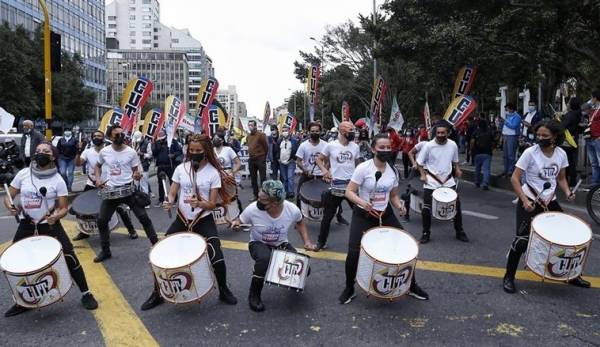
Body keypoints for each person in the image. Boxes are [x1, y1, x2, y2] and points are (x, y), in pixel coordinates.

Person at [141, 134, 238, 310]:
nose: (194, 153)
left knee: (216, 253)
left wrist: (200, 203)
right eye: (191, 150)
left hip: (203, 219)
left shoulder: (213, 173)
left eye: (198, 151)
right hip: (182, 218)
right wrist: (168, 201)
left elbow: (211, 204)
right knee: (159, 253)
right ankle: (157, 293)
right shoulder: (180, 169)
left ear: (206, 151)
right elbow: (172, 192)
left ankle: (223, 290)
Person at [3, 142, 98, 317]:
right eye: (38, 151)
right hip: (27, 225)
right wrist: (10, 206)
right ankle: (23, 301)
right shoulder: (23, 174)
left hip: (50, 225)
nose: (40, 153)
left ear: (52, 156)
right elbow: (10, 196)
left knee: (69, 256)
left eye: (45, 151)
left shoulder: (57, 180)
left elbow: (63, 208)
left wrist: (56, 216)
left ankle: (86, 293)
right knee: (18, 262)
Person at [338, 134, 429, 304]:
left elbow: (393, 195)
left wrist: (399, 205)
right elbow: (349, 192)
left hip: (384, 213)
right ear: (373, 149)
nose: (386, 150)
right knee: (353, 252)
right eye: (382, 147)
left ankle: (411, 285)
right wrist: (362, 202)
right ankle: (349, 288)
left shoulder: (393, 170)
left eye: (389, 147)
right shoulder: (363, 169)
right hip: (363, 214)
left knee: (406, 246)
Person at [503, 119, 590, 293]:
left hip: (550, 200)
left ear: (555, 137)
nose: (540, 137)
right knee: (522, 241)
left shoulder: (561, 154)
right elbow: (515, 178)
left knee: (567, 237)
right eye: (538, 135)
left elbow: (561, 178)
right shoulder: (530, 153)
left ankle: (571, 276)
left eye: (545, 135)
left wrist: (567, 192)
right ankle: (508, 277)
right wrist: (525, 201)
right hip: (530, 199)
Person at [230, 180, 318, 312]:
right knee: (264, 259)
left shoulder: (291, 209)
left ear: (275, 202)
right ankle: (254, 295)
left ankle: (289, 281)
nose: (259, 201)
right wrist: (235, 224)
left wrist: (307, 241)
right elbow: (239, 221)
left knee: (305, 269)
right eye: (259, 197)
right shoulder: (253, 209)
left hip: (280, 244)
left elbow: (300, 222)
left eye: (263, 200)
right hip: (258, 243)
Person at [93, 125, 159, 262]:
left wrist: (137, 174)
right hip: (111, 191)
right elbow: (97, 166)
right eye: (116, 135)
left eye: (121, 134)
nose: (120, 137)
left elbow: (136, 170)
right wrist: (98, 179)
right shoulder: (104, 151)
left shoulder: (131, 152)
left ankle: (157, 247)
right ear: (110, 137)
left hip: (129, 190)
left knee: (144, 218)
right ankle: (106, 251)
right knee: (102, 221)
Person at [72, 130, 138, 241]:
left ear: (104, 138)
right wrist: (78, 151)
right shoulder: (87, 152)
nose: (96, 138)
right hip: (91, 183)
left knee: (120, 208)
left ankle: (131, 230)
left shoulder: (109, 151)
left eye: (99, 136)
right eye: (94, 136)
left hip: (108, 185)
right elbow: (78, 164)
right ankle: (83, 232)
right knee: (81, 208)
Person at [416, 122, 469, 244]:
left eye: (442, 133)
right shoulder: (429, 146)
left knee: (456, 206)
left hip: (448, 181)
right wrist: (423, 175)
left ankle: (459, 231)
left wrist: (458, 169)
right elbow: (419, 163)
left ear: (448, 133)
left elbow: (455, 161)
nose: (440, 135)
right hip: (432, 181)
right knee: (426, 208)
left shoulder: (453, 145)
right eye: (438, 133)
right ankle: (425, 233)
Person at [316, 121, 359, 249]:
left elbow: (357, 164)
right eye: (350, 132)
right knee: (327, 216)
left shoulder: (355, 147)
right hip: (336, 186)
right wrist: (324, 170)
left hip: (351, 187)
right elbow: (319, 159)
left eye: (353, 131)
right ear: (342, 131)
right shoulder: (331, 146)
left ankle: (363, 242)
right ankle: (321, 242)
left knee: (360, 214)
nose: (352, 134)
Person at [295, 122, 327, 206]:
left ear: (320, 132)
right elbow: (298, 161)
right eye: (312, 131)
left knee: (328, 198)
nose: (314, 133)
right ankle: (299, 214)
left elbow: (328, 161)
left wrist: (326, 172)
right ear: (308, 132)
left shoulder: (326, 145)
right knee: (300, 196)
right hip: (307, 175)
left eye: (317, 131)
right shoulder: (303, 146)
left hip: (322, 177)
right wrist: (305, 170)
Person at [152, 130, 183, 207]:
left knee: (172, 182)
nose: (162, 139)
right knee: (160, 183)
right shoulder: (157, 142)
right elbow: (154, 153)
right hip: (160, 165)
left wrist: (173, 155)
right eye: (161, 138)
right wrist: (158, 145)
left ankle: (174, 200)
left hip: (170, 165)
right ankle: (161, 200)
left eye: (163, 138)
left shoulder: (172, 141)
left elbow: (179, 151)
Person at [214, 134, 243, 212]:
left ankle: (236, 215)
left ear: (222, 140)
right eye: (214, 138)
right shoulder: (211, 150)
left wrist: (232, 172)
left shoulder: (228, 149)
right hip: (216, 177)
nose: (215, 139)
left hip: (228, 176)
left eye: (217, 138)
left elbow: (238, 163)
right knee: (217, 198)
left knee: (231, 197)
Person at [560, 97, 582, 187]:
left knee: (566, 160)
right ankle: (572, 179)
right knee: (571, 160)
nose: (567, 104)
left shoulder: (570, 115)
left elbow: (563, 126)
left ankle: (566, 179)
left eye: (569, 103)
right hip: (573, 139)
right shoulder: (578, 113)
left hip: (567, 139)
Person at [246, 120, 268, 201]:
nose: (250, 126)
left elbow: (266, 147)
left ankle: (264, 195)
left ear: (255, 126)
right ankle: (255, 195)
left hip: (260, 159)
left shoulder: (261, 135)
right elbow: (249, 146)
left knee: (263, 178)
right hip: (251, 159)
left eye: (251, 125)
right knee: (253, 179)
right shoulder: (248, 136)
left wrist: (263, 157)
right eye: (249, 125)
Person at [471, 120, 495, 190]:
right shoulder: (489, 132)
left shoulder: (476, 132)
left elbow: (472, 142)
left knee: (477, 168)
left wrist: (471, 150)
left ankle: (477, 182)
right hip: (487, 153)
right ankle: (485, 184)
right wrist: (491, 149)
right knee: (486, 169)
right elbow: (493, 142)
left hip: (477, 152)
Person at [278, 125, 299, 198]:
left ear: (289, 131)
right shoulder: (280, 140)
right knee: (284, 178)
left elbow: (296, 151)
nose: (284, 132)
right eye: (283, 131)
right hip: (282, 162)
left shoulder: (294, 141)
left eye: (286, 130)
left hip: (290, 162)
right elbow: (277, 150)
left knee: (290, 178)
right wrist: (278, 158)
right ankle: (285, 193)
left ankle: (291, 193)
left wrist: (293, 158)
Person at [501, 103, 521, 177]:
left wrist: (505, 122)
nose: (506, 111)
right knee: (505, 155)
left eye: (507, 109)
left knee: (511, 154)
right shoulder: (508, 116)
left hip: (512, 136)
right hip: (505, 136)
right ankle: (505, 170)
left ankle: (510, 170)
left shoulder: (517, 117)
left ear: (511, 109)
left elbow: (513, 126)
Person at [132, 130, 153, 196]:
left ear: (142, 137)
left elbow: (150, 155)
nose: (138, 141)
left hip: (143, 165)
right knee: (135, 184)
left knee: (144, 184)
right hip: (135, 166)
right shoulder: (134, 142)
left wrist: (142, 154)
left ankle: (146, 200)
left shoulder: (147, 143)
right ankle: (136, 201)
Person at [586, 90, 600, 185]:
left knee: (598, 162)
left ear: (595, 98)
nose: (591, 100)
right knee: (594, 163)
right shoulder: (594, 109)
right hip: (590, 138)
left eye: (591, 98)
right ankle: (594, 184)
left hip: (597, 139)